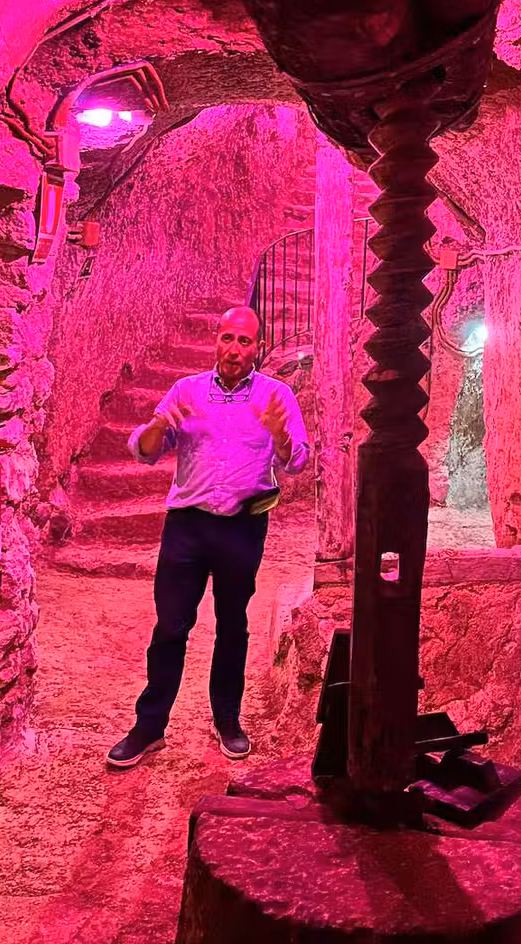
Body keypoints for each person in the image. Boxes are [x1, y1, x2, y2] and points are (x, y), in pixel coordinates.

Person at [106, 306, 309, 768]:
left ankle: (227, 719)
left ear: (257, 347)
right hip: (187, 527)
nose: (234, 349)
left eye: (244, 341)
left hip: (242, 526)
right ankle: (149, 726)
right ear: (216, 340)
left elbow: (296, 462)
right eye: (227, 338)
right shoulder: (186, 391)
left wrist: (280, 438)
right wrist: (159, 424)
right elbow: (146, 453)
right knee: (170, 627)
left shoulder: (277, 396)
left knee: (233, 626)